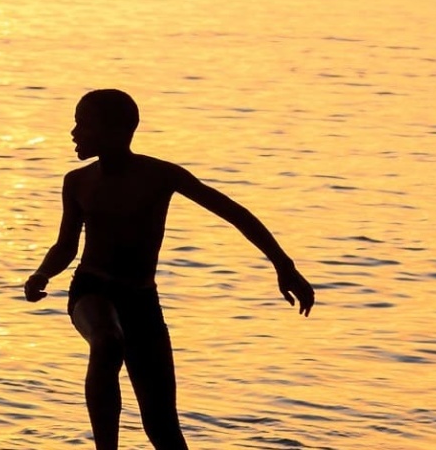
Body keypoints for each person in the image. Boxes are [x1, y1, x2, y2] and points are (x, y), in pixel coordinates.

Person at [21, 89, 314, 450]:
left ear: (115, 130)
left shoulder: (159, 176)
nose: (74, 132)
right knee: (108, 341)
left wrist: (283, 266)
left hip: (141, 301)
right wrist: (42, 274)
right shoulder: (77, 182)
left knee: (163, 426)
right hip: (91, 290)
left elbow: (233, 212)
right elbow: (67, 246)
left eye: (84, 123)